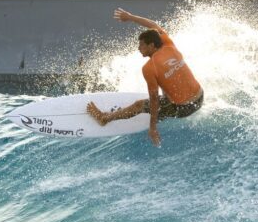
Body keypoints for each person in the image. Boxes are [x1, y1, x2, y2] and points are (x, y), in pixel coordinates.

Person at [87, 8, 203, 146]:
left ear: (152, 45)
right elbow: (153, 25)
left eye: (142, 45)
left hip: (185, 108)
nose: (138, 48)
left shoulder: (149, 67)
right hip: (200, 97)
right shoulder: (168, 43)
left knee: (140, 105)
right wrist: (130, 17)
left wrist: (152, 127)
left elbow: (154, 100)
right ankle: (169, 98)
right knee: (166, 83)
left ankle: (104, 118)